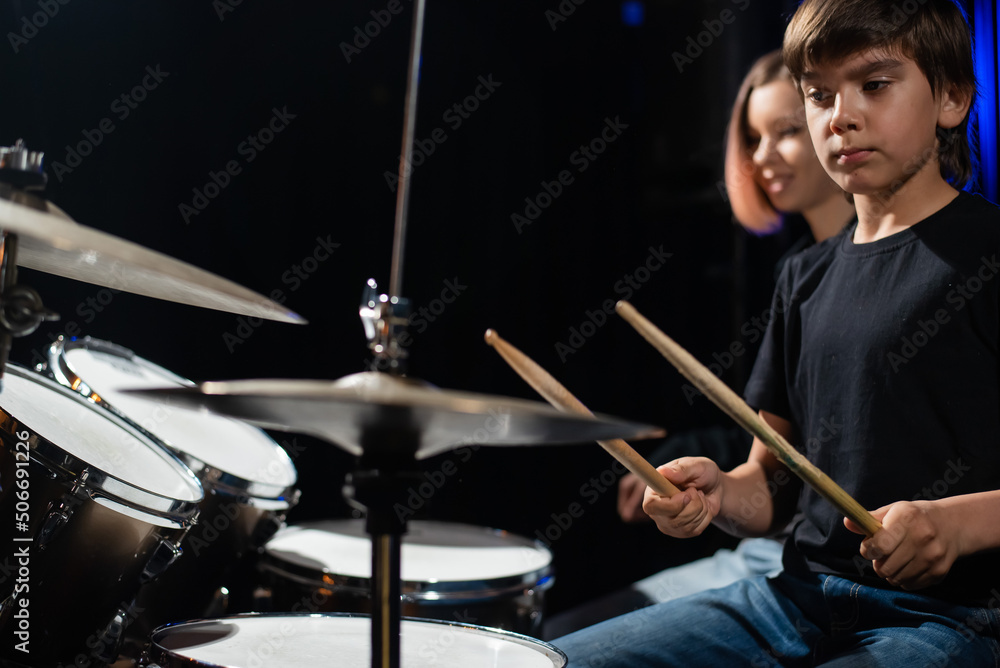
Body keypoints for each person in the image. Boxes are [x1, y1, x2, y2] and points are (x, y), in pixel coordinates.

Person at [554, 0, 1000, 665]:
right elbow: (772, 485)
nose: (839, 116)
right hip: (794, 599)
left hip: (947, 619)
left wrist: (954, 525)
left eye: (874, 85)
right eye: (819, 95)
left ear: (953, 97)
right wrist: (718, 493)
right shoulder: (804, 275)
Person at [542, 49, 855, 639]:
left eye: (785, 131)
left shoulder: (891, 261)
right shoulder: (798, 271)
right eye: (753, 138)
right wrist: (697, 465)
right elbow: (780, 442)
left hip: (826, 565)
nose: (762, 158)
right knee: (561, 636)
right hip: (776, 549)